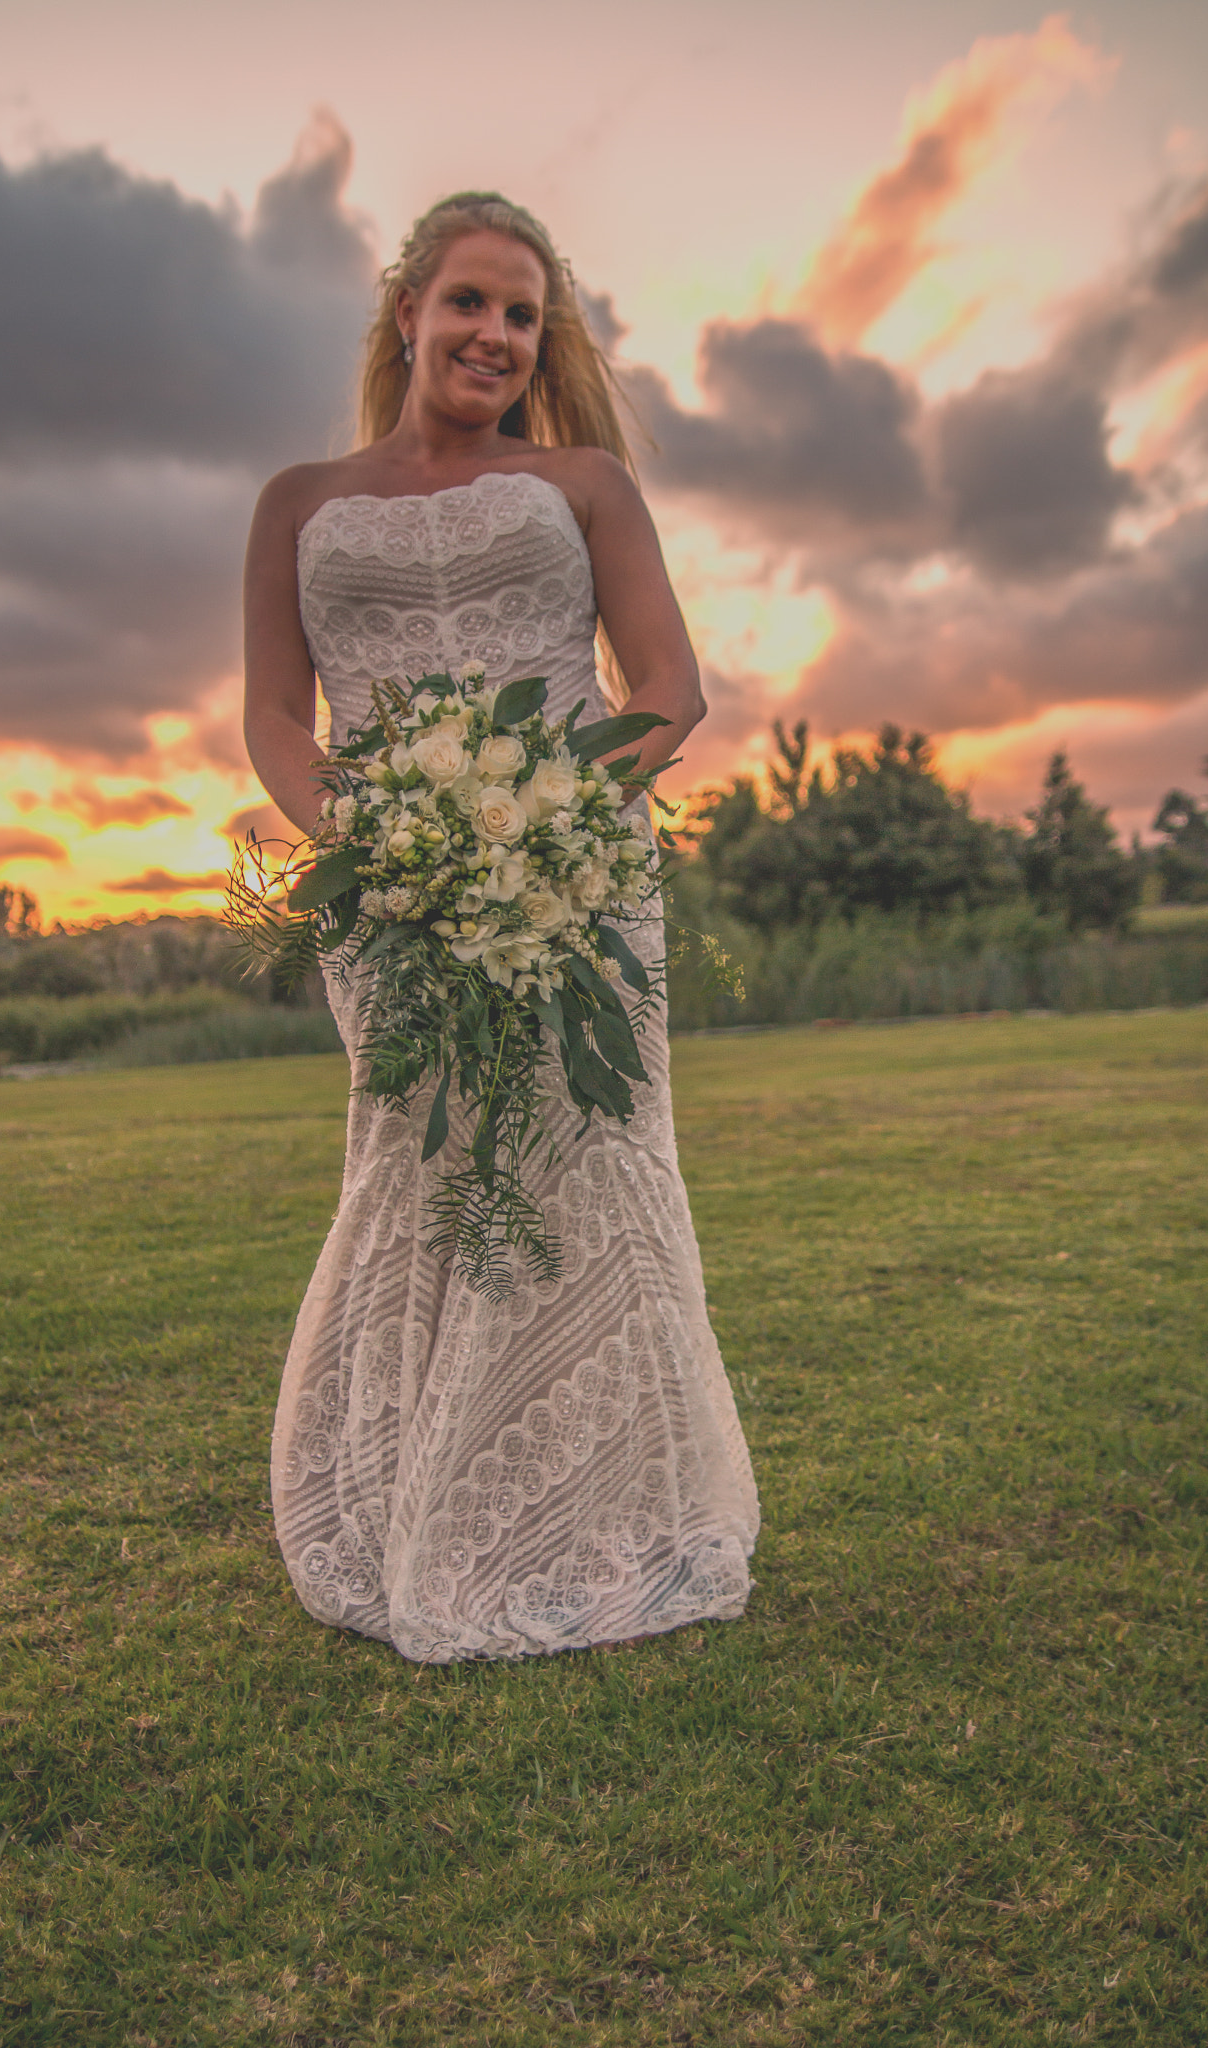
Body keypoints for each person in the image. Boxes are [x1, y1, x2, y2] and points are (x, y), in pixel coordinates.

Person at [242, 192, 759, 1662]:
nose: (494, 334)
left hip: (577, 877)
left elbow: (667, 688)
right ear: (405, 310)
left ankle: (610, 1510)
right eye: (469, 301)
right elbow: (275, 714)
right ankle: (415, 1498)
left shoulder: (584, 481)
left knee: (586, 1157)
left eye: (522, 314)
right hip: (388, 892)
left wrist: (547, 815)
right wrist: (373, 843)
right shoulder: (297, 499)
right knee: (427, 1165)